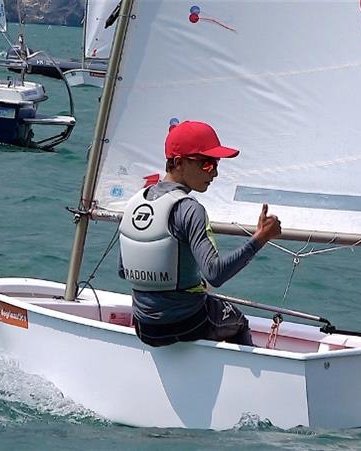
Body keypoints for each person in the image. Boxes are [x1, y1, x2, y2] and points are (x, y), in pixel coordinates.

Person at [118, 120, 282, 347]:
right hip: (187, 323)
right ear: (178, 163)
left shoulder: (134, 203)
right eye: (206, 164)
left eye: (216, 164)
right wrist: (260, 238)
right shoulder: (190, 209)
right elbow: (215, 274)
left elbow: (123, 270)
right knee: (239, 321)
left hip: (145, 327)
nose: (214, 172)